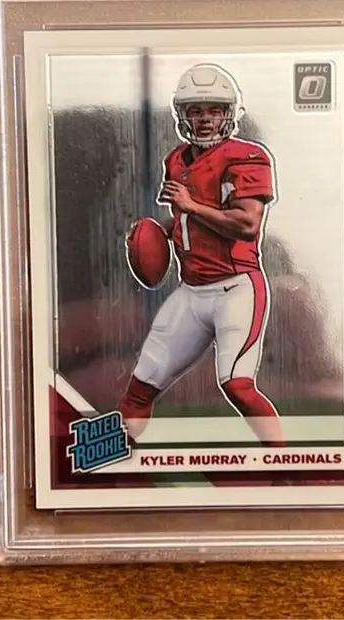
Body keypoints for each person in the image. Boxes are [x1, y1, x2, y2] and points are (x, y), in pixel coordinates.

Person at [117, 63, 285, 446]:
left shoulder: (248, 157)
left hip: (236, 288)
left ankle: (287, 464)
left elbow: (247, 224)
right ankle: (114, 464)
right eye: (196, 110)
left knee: (237, 384)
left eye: (214, 110)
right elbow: (188, 219)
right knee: (140, 387)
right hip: (192, 291)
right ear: (183, 115)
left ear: (229, 114)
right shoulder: (176, 160)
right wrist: (157, 233)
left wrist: (190, 206)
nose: (206, 119)